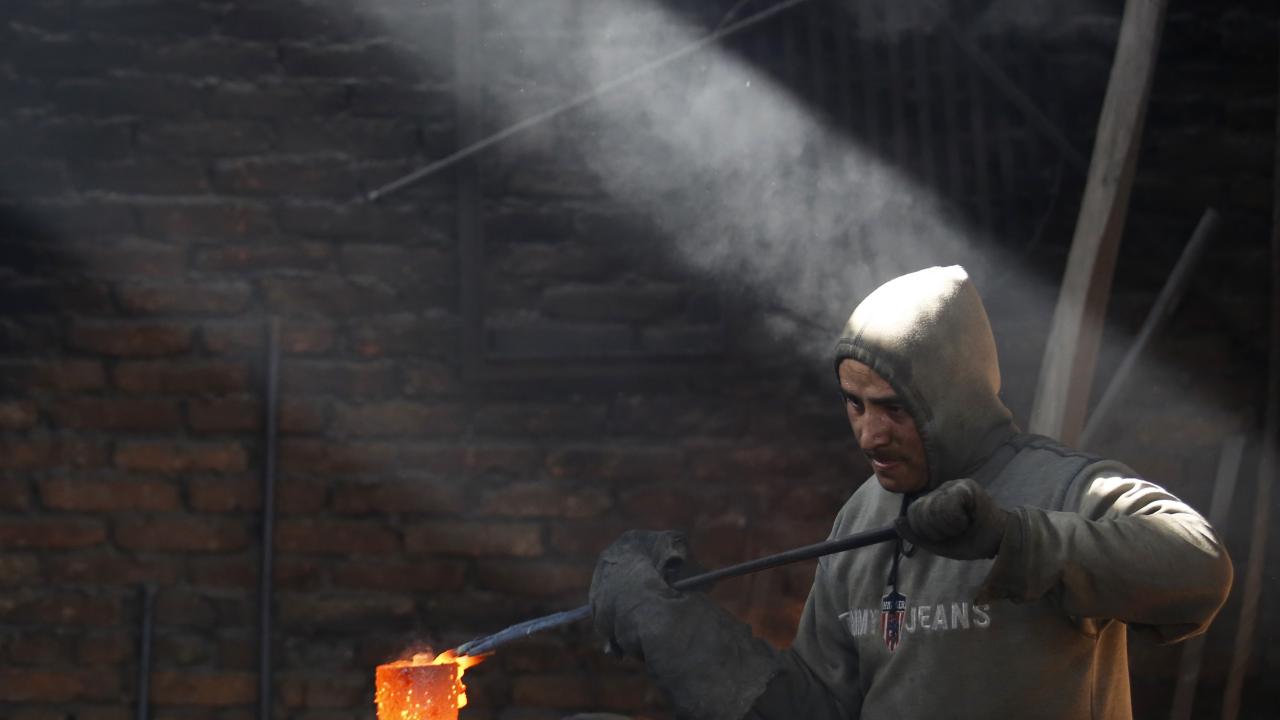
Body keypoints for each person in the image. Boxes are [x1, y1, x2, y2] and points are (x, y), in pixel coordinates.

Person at [588, 265, 1233, 720]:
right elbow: (820, 708)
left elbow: (1199, 567)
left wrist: (1013, 538)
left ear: (952, 401)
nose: (870, 435)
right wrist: (678, 632)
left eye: (894, 408)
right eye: (854, 405)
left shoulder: (1060, 486)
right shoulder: (861, 515)